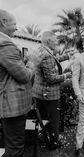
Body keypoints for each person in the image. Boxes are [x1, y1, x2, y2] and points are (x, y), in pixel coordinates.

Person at [0, 9, 35, 157]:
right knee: (15, 148)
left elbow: (9, 70)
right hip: (13, 107)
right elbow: (24, 76)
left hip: (7, 104)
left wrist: (23, 62)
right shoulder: (5, 45)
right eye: (14, 23)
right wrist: (31, 64)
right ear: (3, 22)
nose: (16, 27)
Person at [32, 31, 73, 150]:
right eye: (55, 40)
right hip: (49, 94)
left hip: (39, 92)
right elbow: (51, 79)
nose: (57, 42)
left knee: (44, 118)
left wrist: (67, 56)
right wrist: (66, 76)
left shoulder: (41, 50)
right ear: (49, 41)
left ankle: (45, 139)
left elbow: (52, 61)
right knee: (53, 120)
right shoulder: (47, 55)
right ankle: (53, 143)